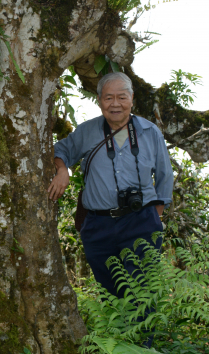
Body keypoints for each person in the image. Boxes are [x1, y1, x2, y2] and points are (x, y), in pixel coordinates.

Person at [48, 72, 174, 299]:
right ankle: (117, 336)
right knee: (110, 296)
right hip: (99, 225)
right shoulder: (88, 131)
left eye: (122, 97)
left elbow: (165, 177)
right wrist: (62, 170)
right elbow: (61, 150)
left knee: (143, 294)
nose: (115, 104)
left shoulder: (149, 132)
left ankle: (144, 337)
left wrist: (154, 217)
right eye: (108, 98)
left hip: (141, 221)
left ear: (132, 99)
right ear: (99, 100)